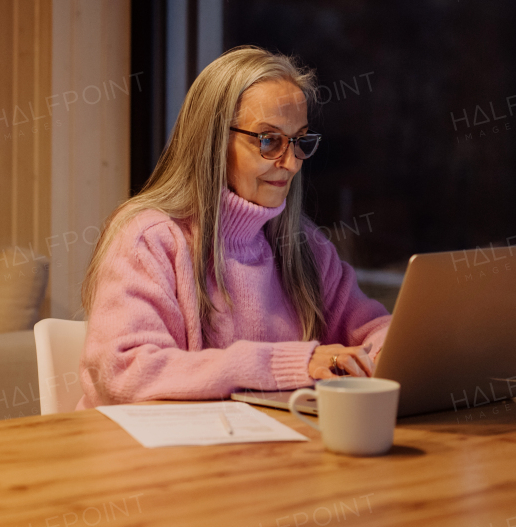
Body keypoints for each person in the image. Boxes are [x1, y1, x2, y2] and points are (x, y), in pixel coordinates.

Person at [76, 46, 390, 407]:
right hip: (152, 456)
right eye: (269, 141)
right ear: (212, 141)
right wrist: (288, 364)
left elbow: (374, 330)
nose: (290, 164)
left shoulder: (304, 245)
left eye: (300, 141)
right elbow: (124, 371)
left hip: (265, 450)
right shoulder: (149, 239)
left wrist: (388, 352)